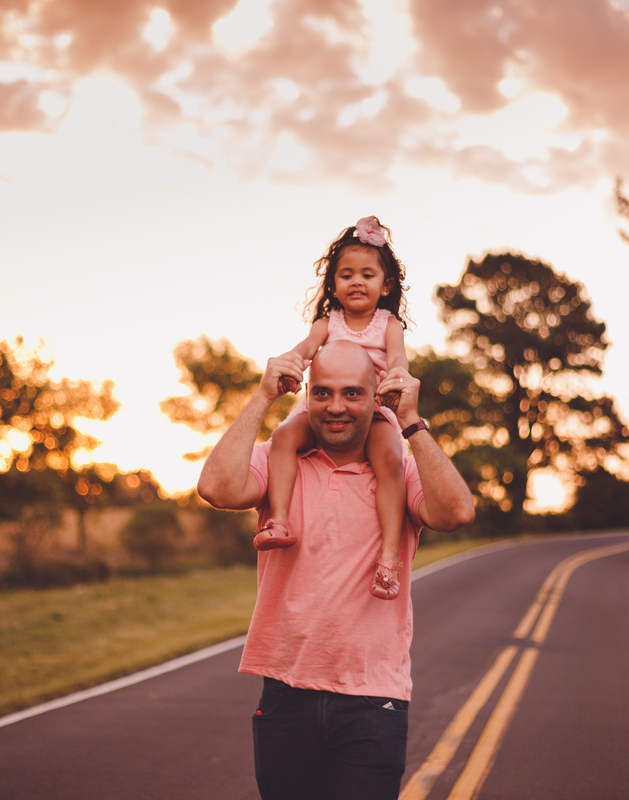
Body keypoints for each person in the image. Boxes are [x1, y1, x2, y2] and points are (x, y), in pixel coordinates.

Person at [197, 338, 475, 800]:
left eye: (352, 393)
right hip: (285, 693)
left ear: (376, 396)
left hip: (372, 699)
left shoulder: (399, 472)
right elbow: (217, 487)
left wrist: (410, 421)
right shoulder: (279, 461)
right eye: (322, 393)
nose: (336, 407)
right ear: (306, 394)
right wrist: (264, 395)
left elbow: (455, 513)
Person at [254, 216, 412, 602]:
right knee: (283, 436)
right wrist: (289, 364)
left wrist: (397, 383)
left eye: (367, 274)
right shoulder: (328, 323)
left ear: (385, 284)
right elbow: (304, 351)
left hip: (372, 410)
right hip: (325, 407)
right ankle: (279, 520)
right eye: (346, 275)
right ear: (334, 286)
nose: (356, 282)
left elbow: (399, 362)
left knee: (391, 461)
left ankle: (388, 559)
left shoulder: (388, 324)